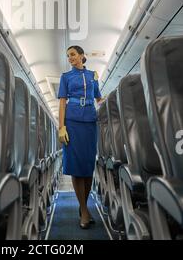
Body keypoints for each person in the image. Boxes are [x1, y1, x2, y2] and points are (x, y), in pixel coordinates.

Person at [57, 45, 103, 229]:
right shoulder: (66, 77)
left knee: (88, 164)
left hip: (90, 120)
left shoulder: (93, 75)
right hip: (73, 120)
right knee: (76, 165)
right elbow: (61, 103)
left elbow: (99, 99)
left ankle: (83, 206)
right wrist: (62, 127)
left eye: (73, 55)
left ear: (82, 56)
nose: (70, 58)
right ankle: (84, 209)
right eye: (68, 56)